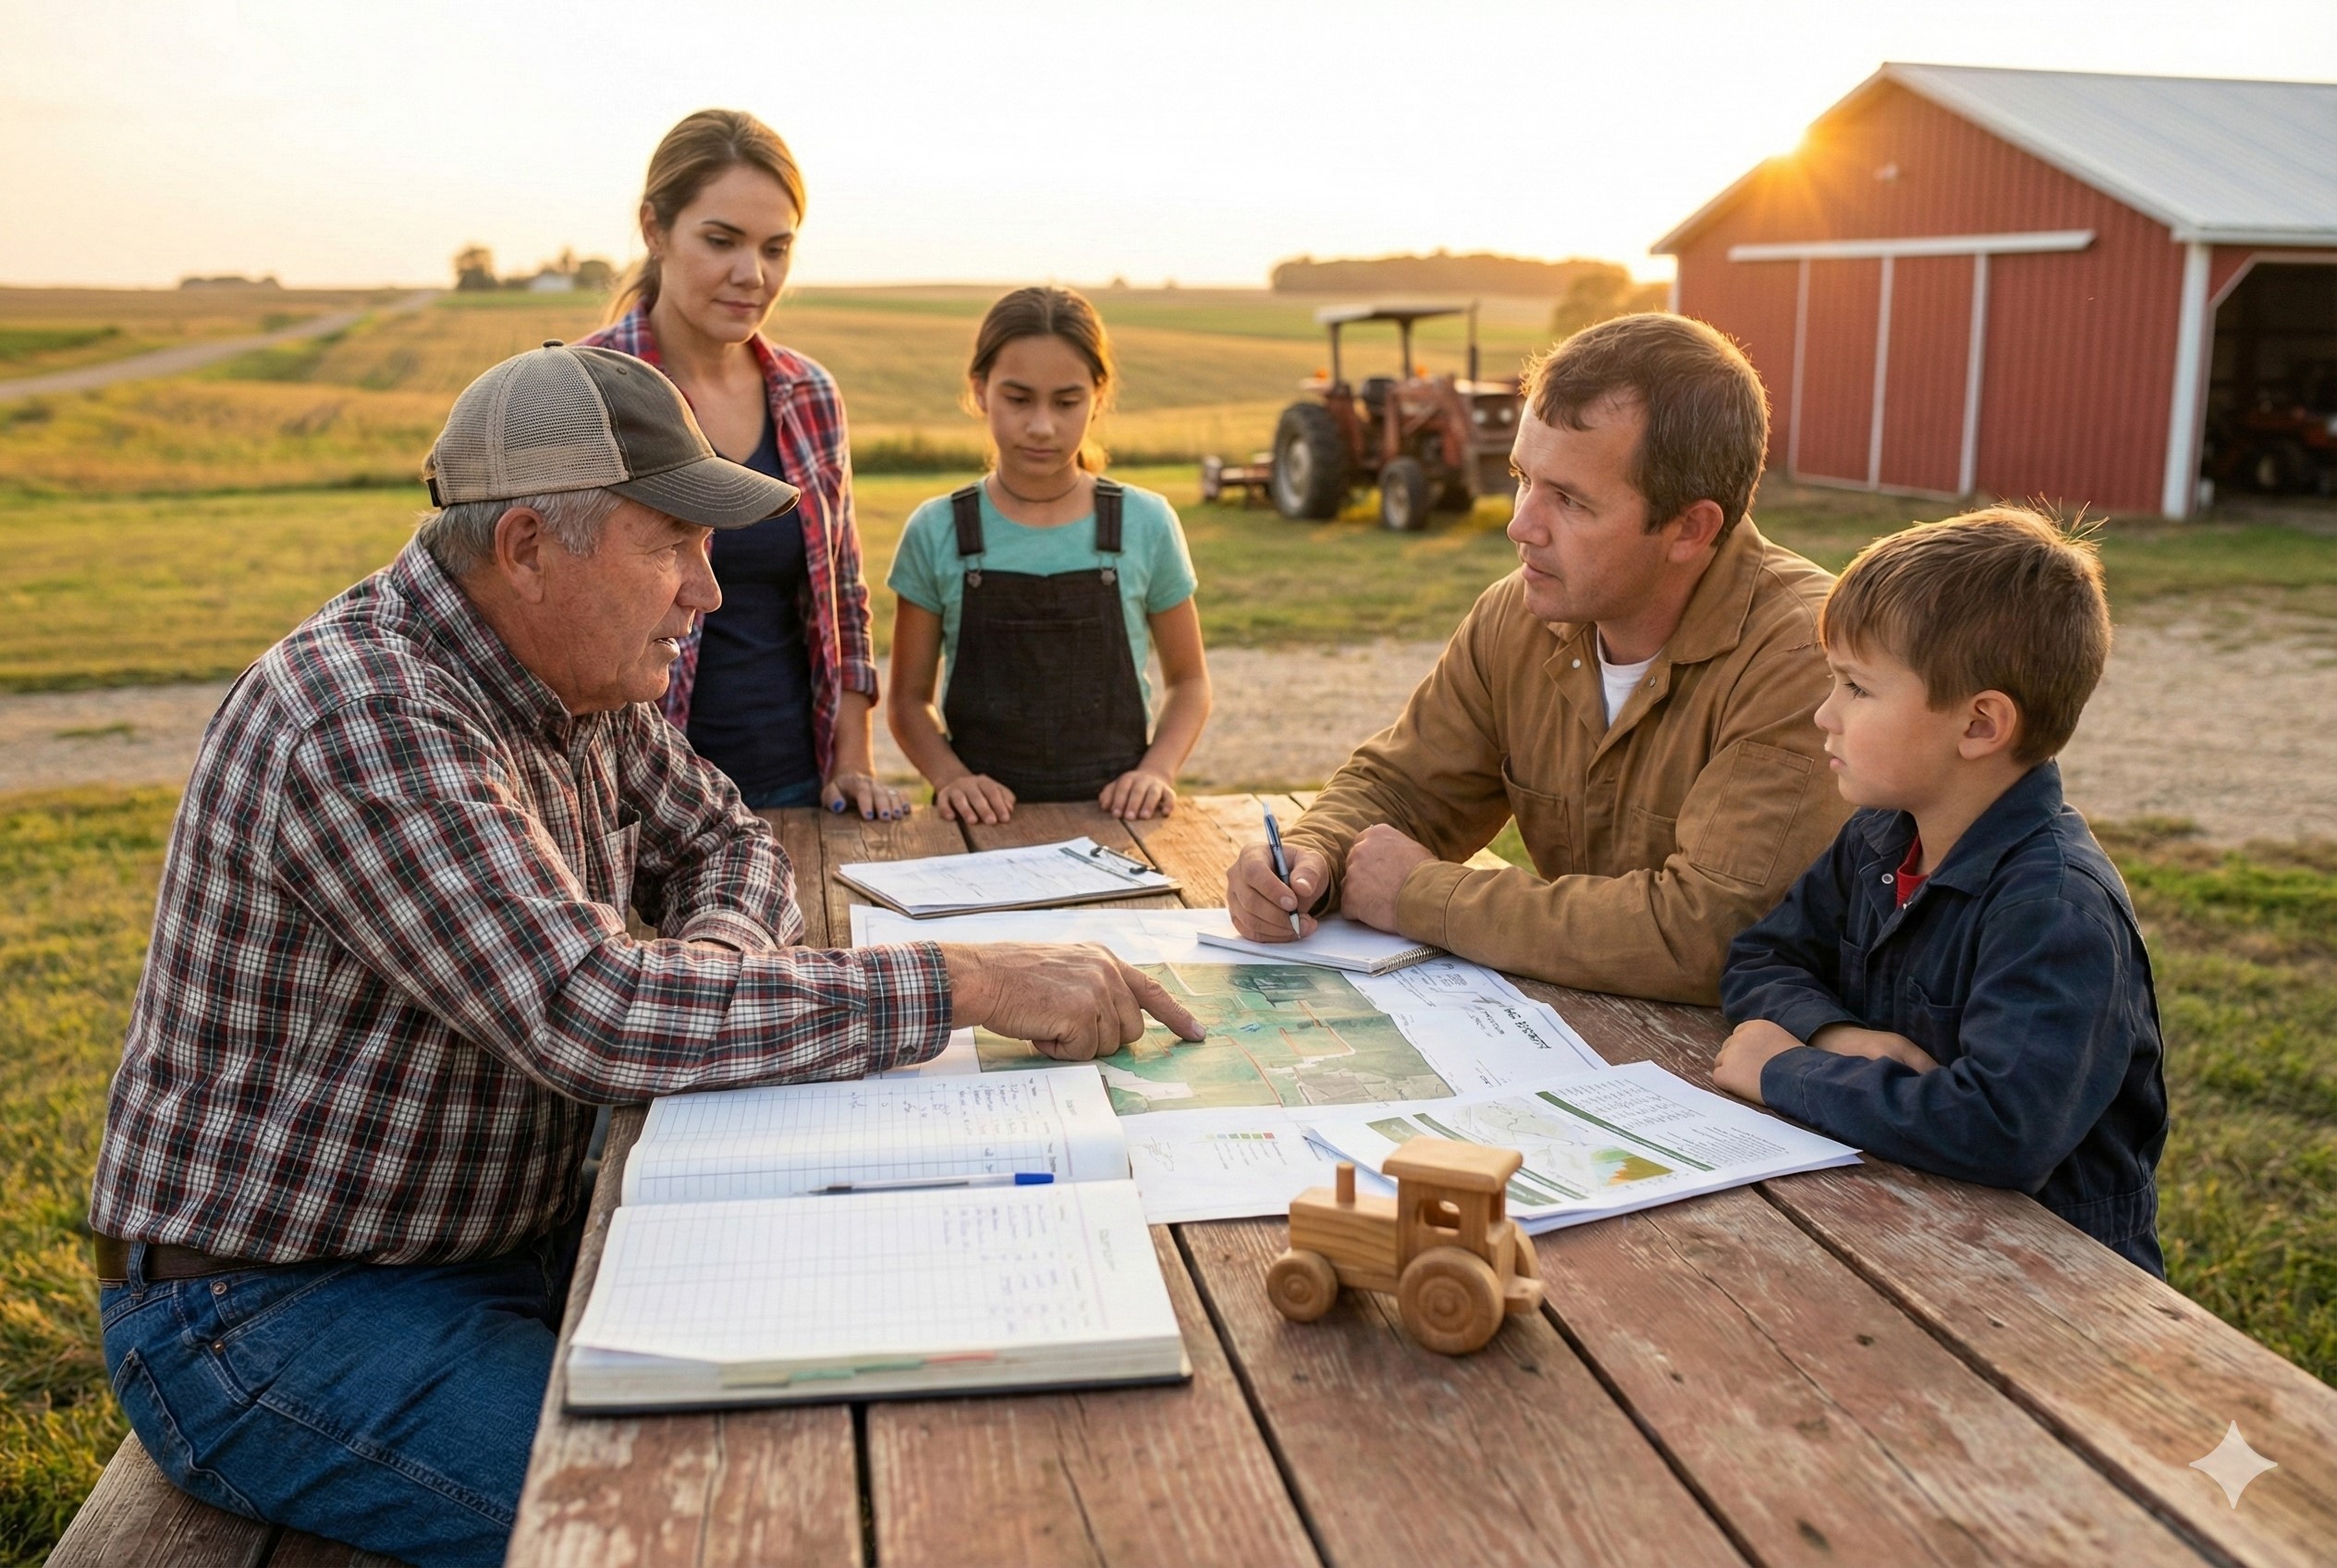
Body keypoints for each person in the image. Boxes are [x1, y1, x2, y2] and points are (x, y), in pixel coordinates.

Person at [86, 343, 1201, 1568]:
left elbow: (733, 841)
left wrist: (709, 966)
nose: (705, 593)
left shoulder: (573, 675)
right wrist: (966, 982)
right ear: (526, 548)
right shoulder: (366, 715)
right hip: (270, 1307)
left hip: (497, 1238)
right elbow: (596, 1014)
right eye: (672, 544)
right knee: (711, 1529)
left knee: (876, 1388)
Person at [1226, 312, 1847, 1004]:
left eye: (1569, 501)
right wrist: (1311, 855)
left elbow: (1709, 933)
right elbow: (1404, 788)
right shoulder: (1516, 616)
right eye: (1524, 477)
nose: (1520, 524)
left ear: (1690, 528)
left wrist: (1425, 896)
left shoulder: (1808, 657)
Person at [1713, 508, 2168, 1274]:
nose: (1824, 714)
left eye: (1857, 688)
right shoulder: (1880, 837)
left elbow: (2001, 1130)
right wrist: (1836, 1035)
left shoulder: (2055, 910)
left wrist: (1784, 1070)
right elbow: (1763, 955)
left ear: (1980, 725)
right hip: (1905, 1229)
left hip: (2056, 1280)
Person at [580, 109, 904, 818]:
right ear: (655, 229)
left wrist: (852, 761)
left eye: (776, 248)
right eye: (721, 241)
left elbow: (842, 589)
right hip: (637, 800)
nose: (752, 274)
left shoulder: (809, 394)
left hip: (798, 784)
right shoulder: (586, 390)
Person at [887, 286, 1212, 824]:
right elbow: (906, 700)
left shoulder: (1147, 522)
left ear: (1098, 396)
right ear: (979, 390)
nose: (1042, 426)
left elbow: (1190, 683)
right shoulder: (936, 529)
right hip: (979, 825)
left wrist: (1157, 771)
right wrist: (951, 778)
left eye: (1066, 402)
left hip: (1118, 820)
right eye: (1018, 399)